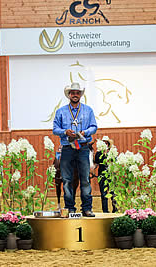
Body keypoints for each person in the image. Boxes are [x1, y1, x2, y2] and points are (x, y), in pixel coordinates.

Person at [53, 82, 97, 217]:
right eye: (73, 93)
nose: (75, 95)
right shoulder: (60, 111)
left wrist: (85, 133)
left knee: (85, 179)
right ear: (69, 95)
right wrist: (65, 132)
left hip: (83, 148)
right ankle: (70, 208)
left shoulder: (88, 110)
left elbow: (94, 127)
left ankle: (87, 208)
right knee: (66, 179)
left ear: (80, 95)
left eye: (77, 93)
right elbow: (55, 129)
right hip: (67, 148)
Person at [94, 136, 117, 213]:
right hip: (102, 175)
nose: (105, 144)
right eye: (104, 142)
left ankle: (115, 209)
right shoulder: (98, 153)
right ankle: (105, 211)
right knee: (103, 194)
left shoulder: (112, 152)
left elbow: (115, 162)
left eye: (106, 142)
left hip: (111, 175)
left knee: (113, 194)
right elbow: (96, 164)